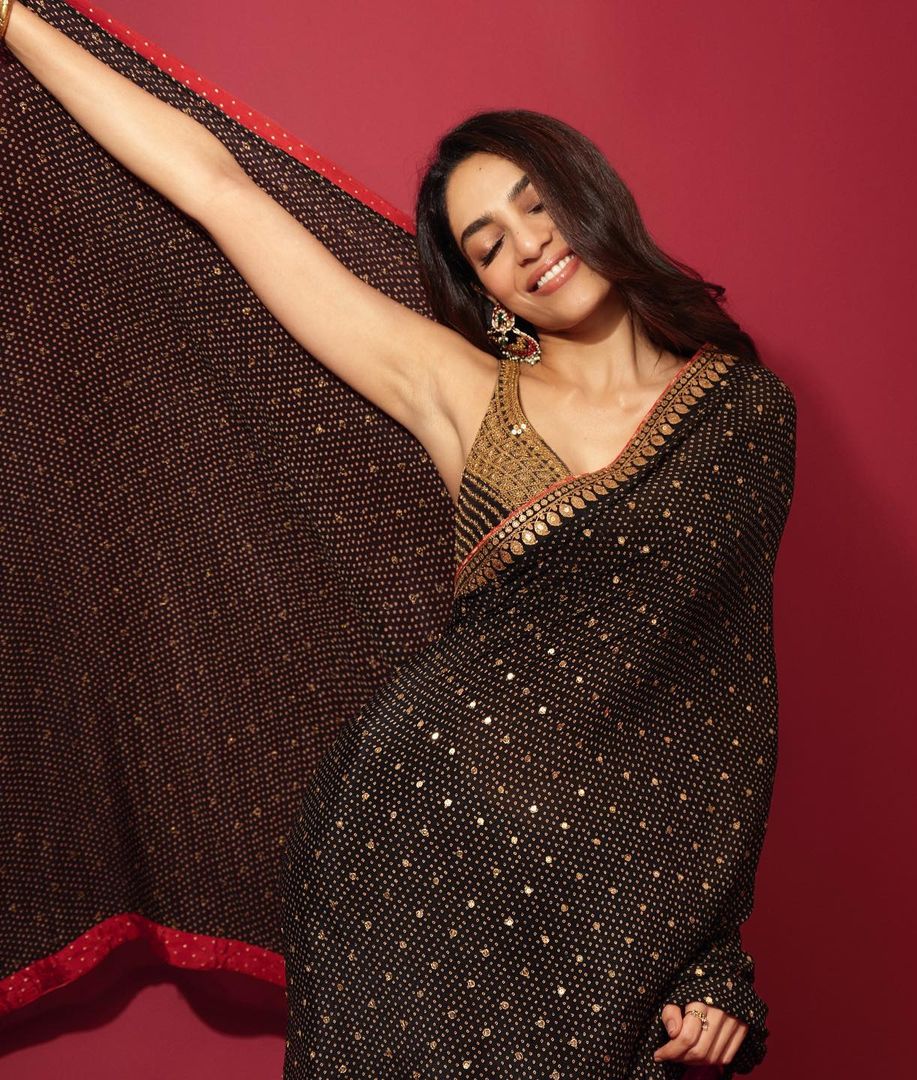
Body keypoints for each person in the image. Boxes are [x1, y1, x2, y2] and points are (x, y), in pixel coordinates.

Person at [2, 1, 797, 1076]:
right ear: (483, 291)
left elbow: (725, 697)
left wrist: (711, 951)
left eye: (537, 204)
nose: (530, 245)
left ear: (592, 195)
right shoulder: (463, 394)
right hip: (407, 846)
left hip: (603, 905)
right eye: (489, 244)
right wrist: (13, 20)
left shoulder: (741, 413)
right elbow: (220, 191)